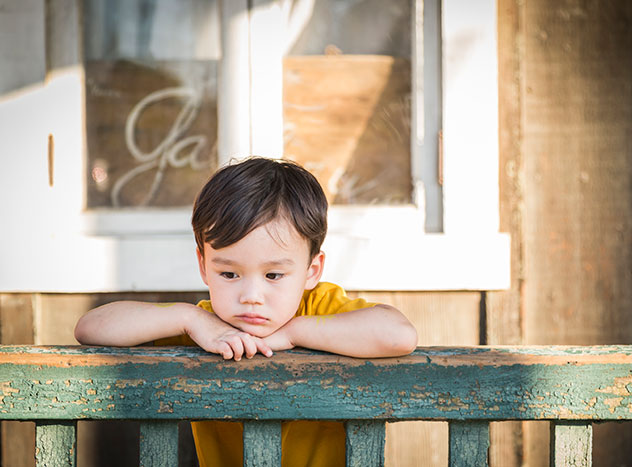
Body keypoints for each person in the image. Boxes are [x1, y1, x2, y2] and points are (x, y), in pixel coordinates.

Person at [74, 156, 418, 467]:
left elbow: (399, 335)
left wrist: (293, 332)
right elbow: (91, 328)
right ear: (204, 265)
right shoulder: (207, 324)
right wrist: (189, 317)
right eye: (229, 274)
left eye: (273, 275)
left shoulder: (321, 309)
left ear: (312, 270)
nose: (251, 296)